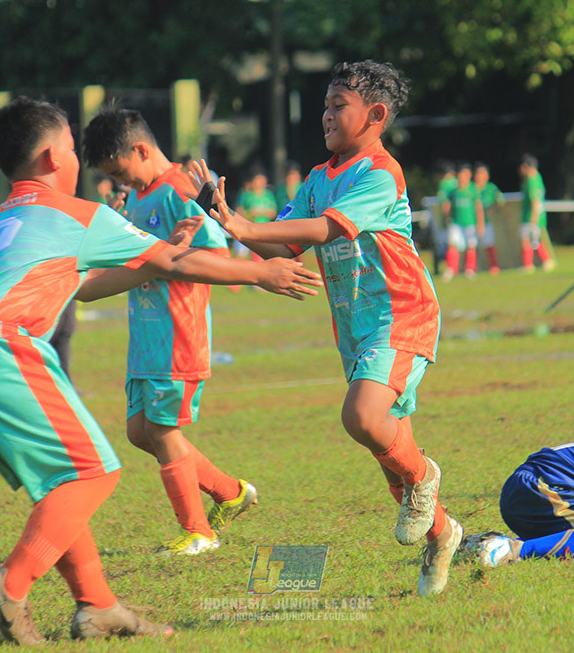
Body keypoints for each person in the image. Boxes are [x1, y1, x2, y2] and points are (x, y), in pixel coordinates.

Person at [0, 96, 320, 645]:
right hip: (4, 348)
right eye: (70, 147)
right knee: (95, 472)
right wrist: (260, 273)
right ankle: (12, 584)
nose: (77, 160)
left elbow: (93, 284)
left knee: (61, 483)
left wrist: (161, 255)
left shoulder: (9, 216)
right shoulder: (75, 214)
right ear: (50, 157)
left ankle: (97, 605)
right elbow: (175, 263)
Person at [189, 60, 463, 598]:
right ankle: (443, 533)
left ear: (376, 115)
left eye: (340, 105)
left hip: (402, 314)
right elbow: (285, 245)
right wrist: (228, 220)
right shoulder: (320, 178)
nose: (326, 115)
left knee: (362, 416)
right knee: (389, 457)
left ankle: (426, 477)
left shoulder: (380, 173)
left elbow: (326, 228)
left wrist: (245, 224)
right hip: (357, 328)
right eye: (325, 105)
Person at [83, 107, 258, 556]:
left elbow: (215, 256)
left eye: (122, 172)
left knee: (161, 430)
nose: (124, 183)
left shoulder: (181, 190)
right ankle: (230, 492)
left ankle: (198, 530)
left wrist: (174, 251)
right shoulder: (139, 196)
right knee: (140, 431)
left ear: (142, 149)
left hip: (178, 334)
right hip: (145, 336)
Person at [442, 162, 484, 281]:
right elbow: (447, 205)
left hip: (470, 223)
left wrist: (480, 225)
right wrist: (447, 217)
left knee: (471, 245)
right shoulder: (453, 191)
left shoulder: (473, 189)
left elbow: (478, 207)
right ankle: (451, 268)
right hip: (456, 222)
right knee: (453, 244)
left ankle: (470, 269)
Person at [519, 153, 555, 273]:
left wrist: (533, 216)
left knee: (527, 241)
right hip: (537, 216)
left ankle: (530, 265)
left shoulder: (531, 180)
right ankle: (546, 261)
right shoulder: (538, 177)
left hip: (531, 216)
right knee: (534, 241)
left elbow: (535, 200)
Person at [473, 162, 502, 275]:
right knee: (473, 245)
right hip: (472, 222)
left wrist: (492, 209)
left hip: (486, 222)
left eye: (481, 173)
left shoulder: (491, 188)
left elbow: (500, 201)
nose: (479, 176)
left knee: (489, 244)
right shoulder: (472, 188)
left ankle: (494, 266)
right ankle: (472, 268)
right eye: (477, 173)